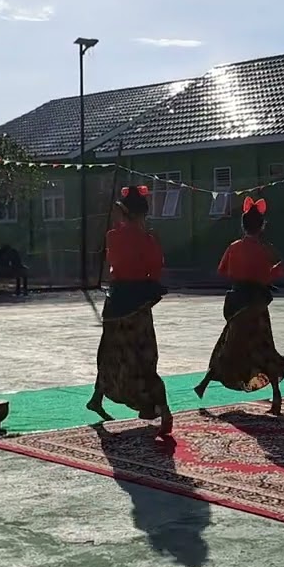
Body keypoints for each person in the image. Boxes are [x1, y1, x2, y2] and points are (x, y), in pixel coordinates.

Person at [192, 196, 284, 414]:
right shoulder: (265, 249)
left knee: (228, 346)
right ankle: (276, 395)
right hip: (257, 304)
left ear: (243, 225)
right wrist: (275, 270)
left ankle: (205, 383)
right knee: (264, 347)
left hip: (237, 301)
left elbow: (222, 271)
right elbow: (271, 275)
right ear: (262, 226)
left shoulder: (234, 247)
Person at [85, 185, 173, 433]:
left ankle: (98, 398)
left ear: (124, 213)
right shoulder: (149, 240)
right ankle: (163, 410)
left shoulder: (113, 236)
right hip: (139, 303)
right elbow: (155, 271)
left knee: (110, 353)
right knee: (145, 357)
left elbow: (114, 262)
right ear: (144, 214)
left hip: (116, 302)